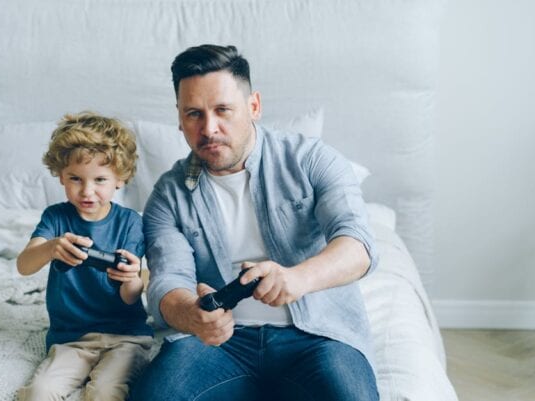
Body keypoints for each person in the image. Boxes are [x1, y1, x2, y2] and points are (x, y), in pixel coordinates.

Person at [129, 44, 379, 401]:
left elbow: (359, 245)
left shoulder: (311, 159)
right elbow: (168, 279)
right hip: (218, 344)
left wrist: (297, 278)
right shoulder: (168, 195)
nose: (209, 128)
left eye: (223, 110)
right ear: (180, 118)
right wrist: (189, 313)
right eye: (194, 114)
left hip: (317, 337)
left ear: (254, 106)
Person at [16, 111, 154, 401]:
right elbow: (24, 265)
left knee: (106, 393)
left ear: (120, 178)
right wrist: (50, 247)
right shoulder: (56, 218)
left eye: (100, 180)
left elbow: (131, 297)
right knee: (38, 394)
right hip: (71, 339)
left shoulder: (131, 223)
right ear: (60, 175)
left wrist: (132, 279)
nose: (87, 191)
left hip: (125, 337)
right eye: (75, 179)